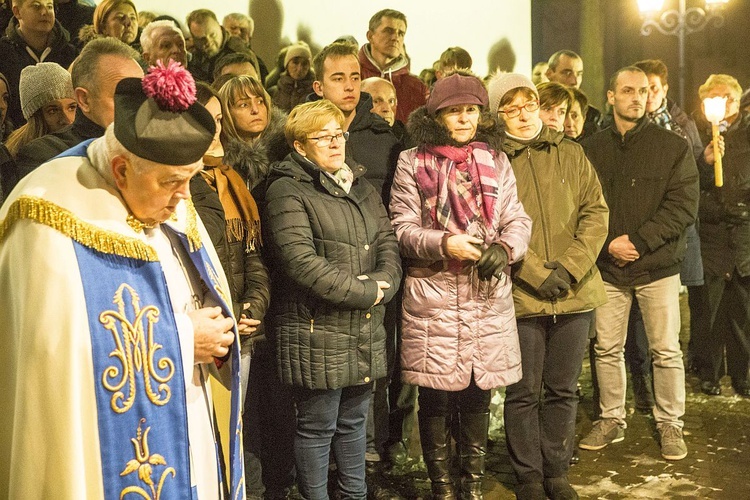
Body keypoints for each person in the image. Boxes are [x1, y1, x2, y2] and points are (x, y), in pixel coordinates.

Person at [0, 61, 244, 499]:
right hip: (99, 452)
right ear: (120, 171)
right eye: (172, 182)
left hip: (190, 414)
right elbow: (51, 356)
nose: (184, 197)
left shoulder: (171, 195)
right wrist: (185, 339)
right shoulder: (45, 213)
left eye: (191, 178)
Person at [389, 72, 531, 499]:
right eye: (455, 111)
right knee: (434, 394)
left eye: (471, 110)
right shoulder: (413, 161)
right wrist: (445, 242)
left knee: (477, 392)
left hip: (485, 293)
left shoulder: (495, 160)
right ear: (438, 115)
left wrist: (504, 249)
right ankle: (442, 487)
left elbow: (516, 219)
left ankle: (470, 487)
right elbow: (402, 227)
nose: (464, 118)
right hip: (435, 293)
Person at [262, 98, 402, 500]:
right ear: (299, 146)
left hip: (361, 326)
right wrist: (367, 291)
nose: (335, 142)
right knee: (317, 426)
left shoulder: (359, 184)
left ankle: (355, 495)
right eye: (323, 137)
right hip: (315, 328)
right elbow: (301, 262)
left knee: (355, 423)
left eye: (338, 134)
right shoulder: (286, 189)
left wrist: (384, 283)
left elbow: (387, 241)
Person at [487, 72, 608, 500]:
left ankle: (556, 470)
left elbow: (596, 213)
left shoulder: (571, 152)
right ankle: (529, 476)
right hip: (522, 293)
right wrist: (538, 273)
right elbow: (493, 225)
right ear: (497, 113)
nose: (522, 114)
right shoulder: (491, 160)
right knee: (523, 393)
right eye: (510, 107)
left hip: (575, 293)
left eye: (528, 104)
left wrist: (571, 268)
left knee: (563, 389)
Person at [579, 66, 699, 462]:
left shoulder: (672, 146)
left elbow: (682, 206)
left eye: (643, 91)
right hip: (608, 267)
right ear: (610, 95)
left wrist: (639, 240)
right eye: (627, 90)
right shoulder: (590, 148)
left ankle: (670, 423)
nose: (637, 97)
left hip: (657, 266)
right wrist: (608, 244)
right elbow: (581, 206)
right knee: (606, 348)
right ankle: (611, 417)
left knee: (666, 350)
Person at [195, 81, 270, 500]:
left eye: (220, 121)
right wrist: (228, 311)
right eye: (208, 123)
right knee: (207, 435)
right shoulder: (183, 187)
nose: (217, 132)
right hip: (204, 326)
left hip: (240, 326)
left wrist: (253, 306)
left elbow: (253, 257)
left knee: (236, 426)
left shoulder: (231, 181)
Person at [622, 59, 705, 409]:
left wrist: (645, 239)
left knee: (666, 341)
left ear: (663, 90)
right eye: (636, 89)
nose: (645, 96)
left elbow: (685, 193)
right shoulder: (613, 135)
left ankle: (670, 412)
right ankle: (635, 392)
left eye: (650, 89)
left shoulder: (678, 132)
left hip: (665, 247)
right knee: (622, 338)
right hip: (623, 251)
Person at [691, 74, 750, 398]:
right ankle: (709, 371)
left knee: (742, 309)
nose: (722, 102)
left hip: (742, 231)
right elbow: (690, 180)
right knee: (708, 310)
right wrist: (705, 161)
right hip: (711, 232)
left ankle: (742, 374)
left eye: (727, 96)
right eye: (713, 96)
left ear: (738, 100)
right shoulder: (697, 133)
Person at [14, 37, 143, 175]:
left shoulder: (154, 145)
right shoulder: (45, 155)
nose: (137, 106)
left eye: (142, 95)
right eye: (122, 96)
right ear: (84, 100)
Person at [0, 0, 79, 127]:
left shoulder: (70, 53)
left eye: (49, 6)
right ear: (17, 11)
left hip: (65, 132)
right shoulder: (3, 53)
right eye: (36, 6)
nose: (45, 12)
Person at [218, 74, 289, 194]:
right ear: (227, 112)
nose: (255, 110)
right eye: (244, 104)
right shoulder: (218, 162)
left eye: (260, 101)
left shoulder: (287, 152)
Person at [358, 8, 428, 123]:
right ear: (370, 36)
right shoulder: (351, 77)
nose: (395, 37)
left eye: (401, 33)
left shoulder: (417, 88)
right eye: (389, 31)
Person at [4, 62, 76, 165]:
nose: (67, 120)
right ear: (35, 117)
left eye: (72, 107)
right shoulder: (21, 160)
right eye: (53, 111)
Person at [186, 8, 259, 84]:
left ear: (219, 27)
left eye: (212, 35)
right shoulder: (192, 55)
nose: (208, 42)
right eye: (201, 39)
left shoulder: (238, 51)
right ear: (193, 38)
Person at [545, 50, 601, 139]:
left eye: (579, 74)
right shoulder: (533, 108)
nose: (574, 81)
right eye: (567, 73)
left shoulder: (592, 116)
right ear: (549, 74)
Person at [268, 42, 314, 113]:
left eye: (304, 64)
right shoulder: (274, 93)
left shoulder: (315, 94)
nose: (299, 68)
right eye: (295, 62)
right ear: (287, 64)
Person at [361, 76, 407, 143]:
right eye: (377, 101)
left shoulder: (410, 141)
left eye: (391, 101)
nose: (386, 109)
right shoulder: (346, 139)